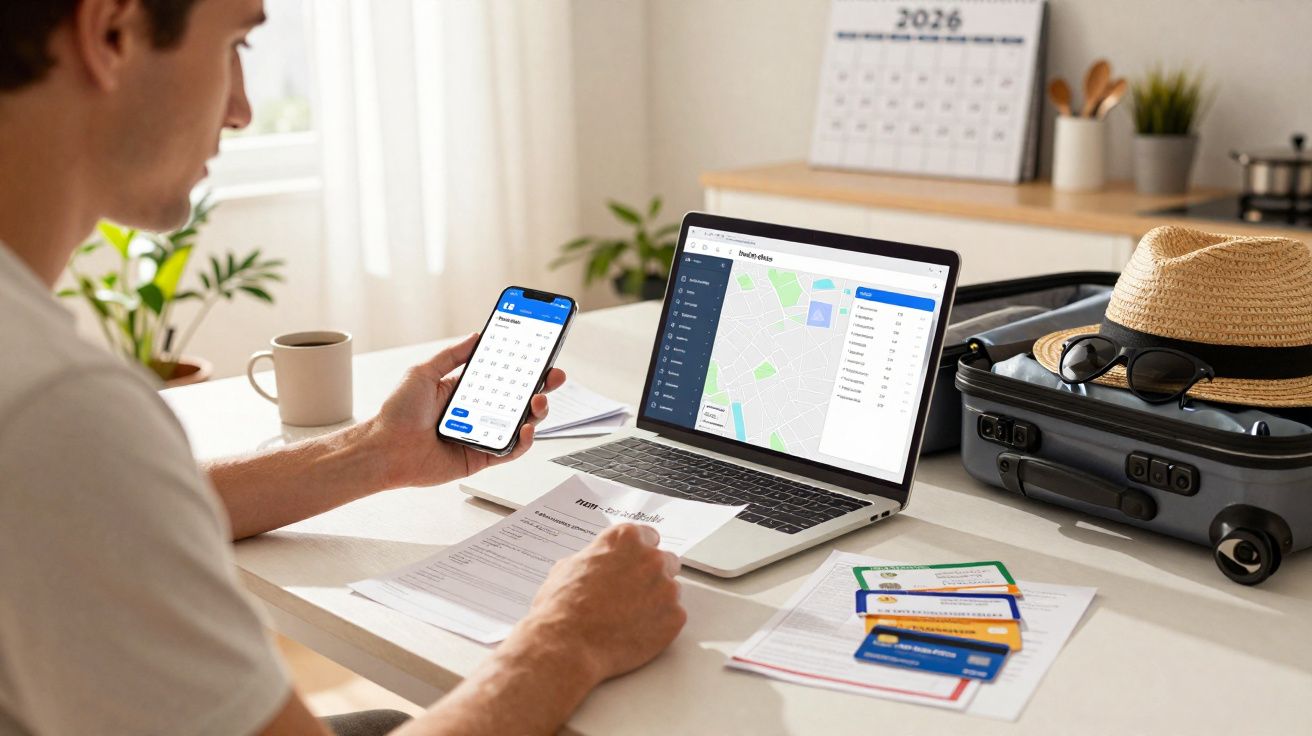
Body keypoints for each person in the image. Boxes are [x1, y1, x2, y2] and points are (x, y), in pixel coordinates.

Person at [0, 1, 686, 734]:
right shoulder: (54, 408)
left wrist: (374, 454)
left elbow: (109, 505)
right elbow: (84, 472)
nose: (241, 109)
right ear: (111, 33)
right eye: (234, 43)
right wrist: (568, 640)